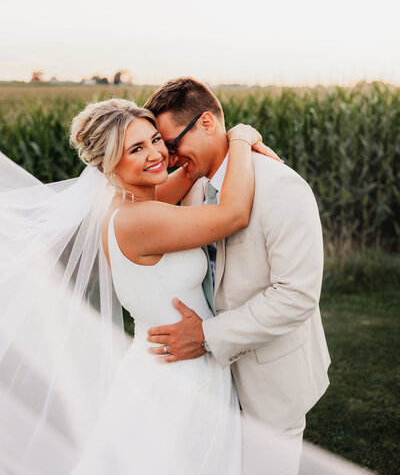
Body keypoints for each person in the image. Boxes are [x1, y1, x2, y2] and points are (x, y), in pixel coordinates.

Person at [0, 98, 275, 475]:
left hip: (169, 364)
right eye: (136, 148)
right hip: (177, 377)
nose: (155, 154)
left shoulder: (132, 203)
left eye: (156, 140)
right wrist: (242, 139)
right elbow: (233, 213)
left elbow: (187, 176)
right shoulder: (137, 219)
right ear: (109, 163)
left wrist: (195, 157)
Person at [144, 78, 331, 475]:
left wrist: (207, 336)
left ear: (207, 123)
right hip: (209, 386)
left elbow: (296, 295)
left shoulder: (281, 187)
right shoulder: (193, 186)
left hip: (271, 383)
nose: (170, 159)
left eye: (172, 145)